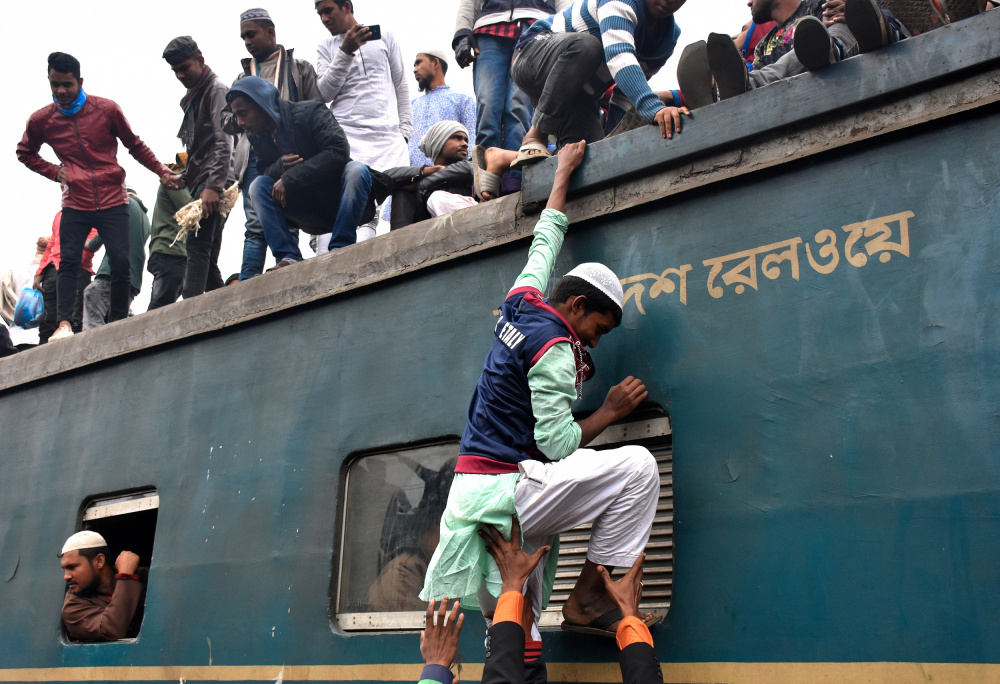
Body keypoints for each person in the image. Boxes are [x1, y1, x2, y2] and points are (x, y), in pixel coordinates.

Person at [420, 141, 662, 652]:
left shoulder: (520, 300)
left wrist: (562, 175)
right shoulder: (555, 349)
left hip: (468, 501)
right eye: (596, 330)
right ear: (575, 305)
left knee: (517, 639)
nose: (593, 342)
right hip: (507, 494)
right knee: (639, 467)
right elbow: (555, 445)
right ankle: (590, 598)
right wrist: (610, 412)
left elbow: (544, 243)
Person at [16, 52, 180, 342]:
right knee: (67, 261)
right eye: (55, 85)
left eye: (67, 84)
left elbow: (135, 145)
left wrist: (162, 171)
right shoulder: (43, 120)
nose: (61, 91)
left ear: (79, 81)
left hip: (113, 198)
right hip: (76, 202)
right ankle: (64, 324)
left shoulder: (106, 109)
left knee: (120, 262)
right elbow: (25, 153)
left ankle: (117, 322)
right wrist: (55, 172)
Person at [507, 0, 689, 169]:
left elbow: (625, 94)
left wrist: (612, 136)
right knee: (587, 46)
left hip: (580, 96)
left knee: (589, 160)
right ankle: (536, 135)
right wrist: (655, 109)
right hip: (533, 56)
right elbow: (619, 56)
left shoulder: (667, 39)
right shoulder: (621, 2)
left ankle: (499, 159)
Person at [226, 76, 375, 268]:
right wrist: (281, 166)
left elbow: (338, 151)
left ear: (261, 104)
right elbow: (265, 171)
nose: (239, 122)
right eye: (236, 116)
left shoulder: (311, 112)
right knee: (258, 186)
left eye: (243, 113)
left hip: (340, 200)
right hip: (308, 209)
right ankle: (288, 257)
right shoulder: (258, 136)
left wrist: (290, 178)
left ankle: (341, 248)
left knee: (356, 170)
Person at [224, 8, 325, 281]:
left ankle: (289, 265)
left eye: (251, 34)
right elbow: (225, 120)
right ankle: (247, 280)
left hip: (294, 152)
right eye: (243, 37)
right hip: (256, 157)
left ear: (270, 32)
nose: (247, 41)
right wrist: (245, 114)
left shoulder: (299, 68)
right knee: (255, 223)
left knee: (288, 212)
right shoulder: (242, 79)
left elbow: (316, 109)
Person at [315, 0, 412, 244]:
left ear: (346, 6)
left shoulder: (385, 37)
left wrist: (405, 132)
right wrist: (345, 51)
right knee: (345, 203)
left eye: (328, 11)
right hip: (347, 137)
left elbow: (400, 84)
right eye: (320, 14)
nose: (324, 19)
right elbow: (324, 93)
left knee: (382, 205)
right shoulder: (326, 47)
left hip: (388, 139)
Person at [453, 0, 572, 195]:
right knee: (487, 105)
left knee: (519, 106)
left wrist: (566, 26)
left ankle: (515, 179)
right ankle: (484, 180)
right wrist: (462, 32)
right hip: (489, 28)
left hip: (537, 24)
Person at [162, 36, 235, 299]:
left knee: (197, 245)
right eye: (175, 71)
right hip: (205, 179)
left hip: (215, 180)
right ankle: (222, 306)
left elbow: (223, 140)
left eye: (184, 68)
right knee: (207, 250)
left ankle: (189, 310)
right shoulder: (194, 96)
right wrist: (182, 177)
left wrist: (213, 186)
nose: (180, 75)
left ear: (200, 60)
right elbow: (199, 150)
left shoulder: (215, 89)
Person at [385, 121, 477, 228]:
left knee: (438, 195)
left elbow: (467, 168)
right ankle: (398, 241)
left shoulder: (471, 165)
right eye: (457, 138)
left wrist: (421, 185)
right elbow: (385, 178)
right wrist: (426, 171)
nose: (465, 144)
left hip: (470, 226)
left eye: (466, 140)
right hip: (427, 233)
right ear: (439, 143)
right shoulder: (425, 174)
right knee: (403, 189)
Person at [59, 531, 146, 642]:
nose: (66, 576)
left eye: (72, 567)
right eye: (65, 569)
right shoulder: (73, 607)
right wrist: (125, 576)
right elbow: (112, 630)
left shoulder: (144, 577)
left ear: (99, 561)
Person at [83, 189, 150, 329]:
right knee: (117, 317)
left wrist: (82, 241)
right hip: (134, 277)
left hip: (112, 272)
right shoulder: (145, 219)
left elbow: (98, 240)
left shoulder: (125, 204)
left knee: (92, 295)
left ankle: (94, 345)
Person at [33, 212, 98, 343]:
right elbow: (52, 243)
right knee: (47, 324)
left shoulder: (92, 212)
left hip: (76, 270)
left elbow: (92, 242)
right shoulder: (60, 214)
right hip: (53, 270)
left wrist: (71, 262)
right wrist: (40, 271)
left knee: (74, 322)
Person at [408, 50, 477, 167]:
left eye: (419, 63)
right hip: (413, 179)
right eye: (414, 65)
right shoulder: (412, 105)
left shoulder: (462, 100)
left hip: (449, 178)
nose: (415, 69)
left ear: (435, 63)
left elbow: (471, 140)